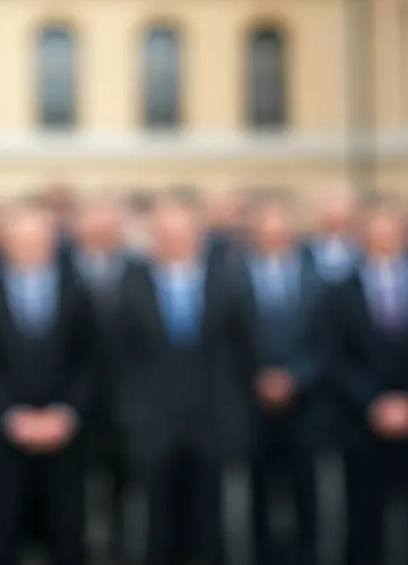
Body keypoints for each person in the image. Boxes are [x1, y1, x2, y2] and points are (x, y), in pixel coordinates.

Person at [112, 190, 254, 565]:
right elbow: (119, 359)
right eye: (164, 232)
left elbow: (243, 354)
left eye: (180, 231)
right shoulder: (133, 282)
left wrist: (235, 413)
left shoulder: (226, 281)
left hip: (210, 421)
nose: (172, 239)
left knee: (210, 524)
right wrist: (132, 416)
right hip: (153, 425)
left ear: (197, 234)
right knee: (156, 527)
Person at [0, 198, 95, 565]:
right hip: (2, 438)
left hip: (64, 436)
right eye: (21, 239)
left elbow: (89, 362)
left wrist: (66, 414)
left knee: (67, 536)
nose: (29, 247)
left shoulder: (78, 294)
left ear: (52, 242)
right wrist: (10, 415)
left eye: (37, 239)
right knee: (2, 534)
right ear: (6, 243)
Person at [329, 195, 408, 565]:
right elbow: (335, 357)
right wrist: (373, 403)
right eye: (376, 231)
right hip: (361, 422)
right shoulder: (339, 292)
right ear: (362, 236)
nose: (385, 239)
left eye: (392, 231)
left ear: (405, 236)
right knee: (363, 522)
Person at [239, 191, 329, 565]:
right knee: (258, 489)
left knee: (306, 487)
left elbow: (327, 339)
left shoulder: (316, 275)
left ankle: (307, 554)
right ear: (254, 232)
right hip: (252, 400)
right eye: (266, 227)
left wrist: (296, 377)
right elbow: (229, 340)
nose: (274, 234)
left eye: (281, 227)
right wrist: (257, 378)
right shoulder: (234, 275)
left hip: (304, 400)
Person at [68, 191, 131, 556]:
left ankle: (116, 543)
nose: (101, 230)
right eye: (95, 223)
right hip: (77, 395)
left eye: (109, 224)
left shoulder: (136, 268)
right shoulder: (64, 267)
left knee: (120, 480)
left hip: (122, 398)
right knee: (74, 480)